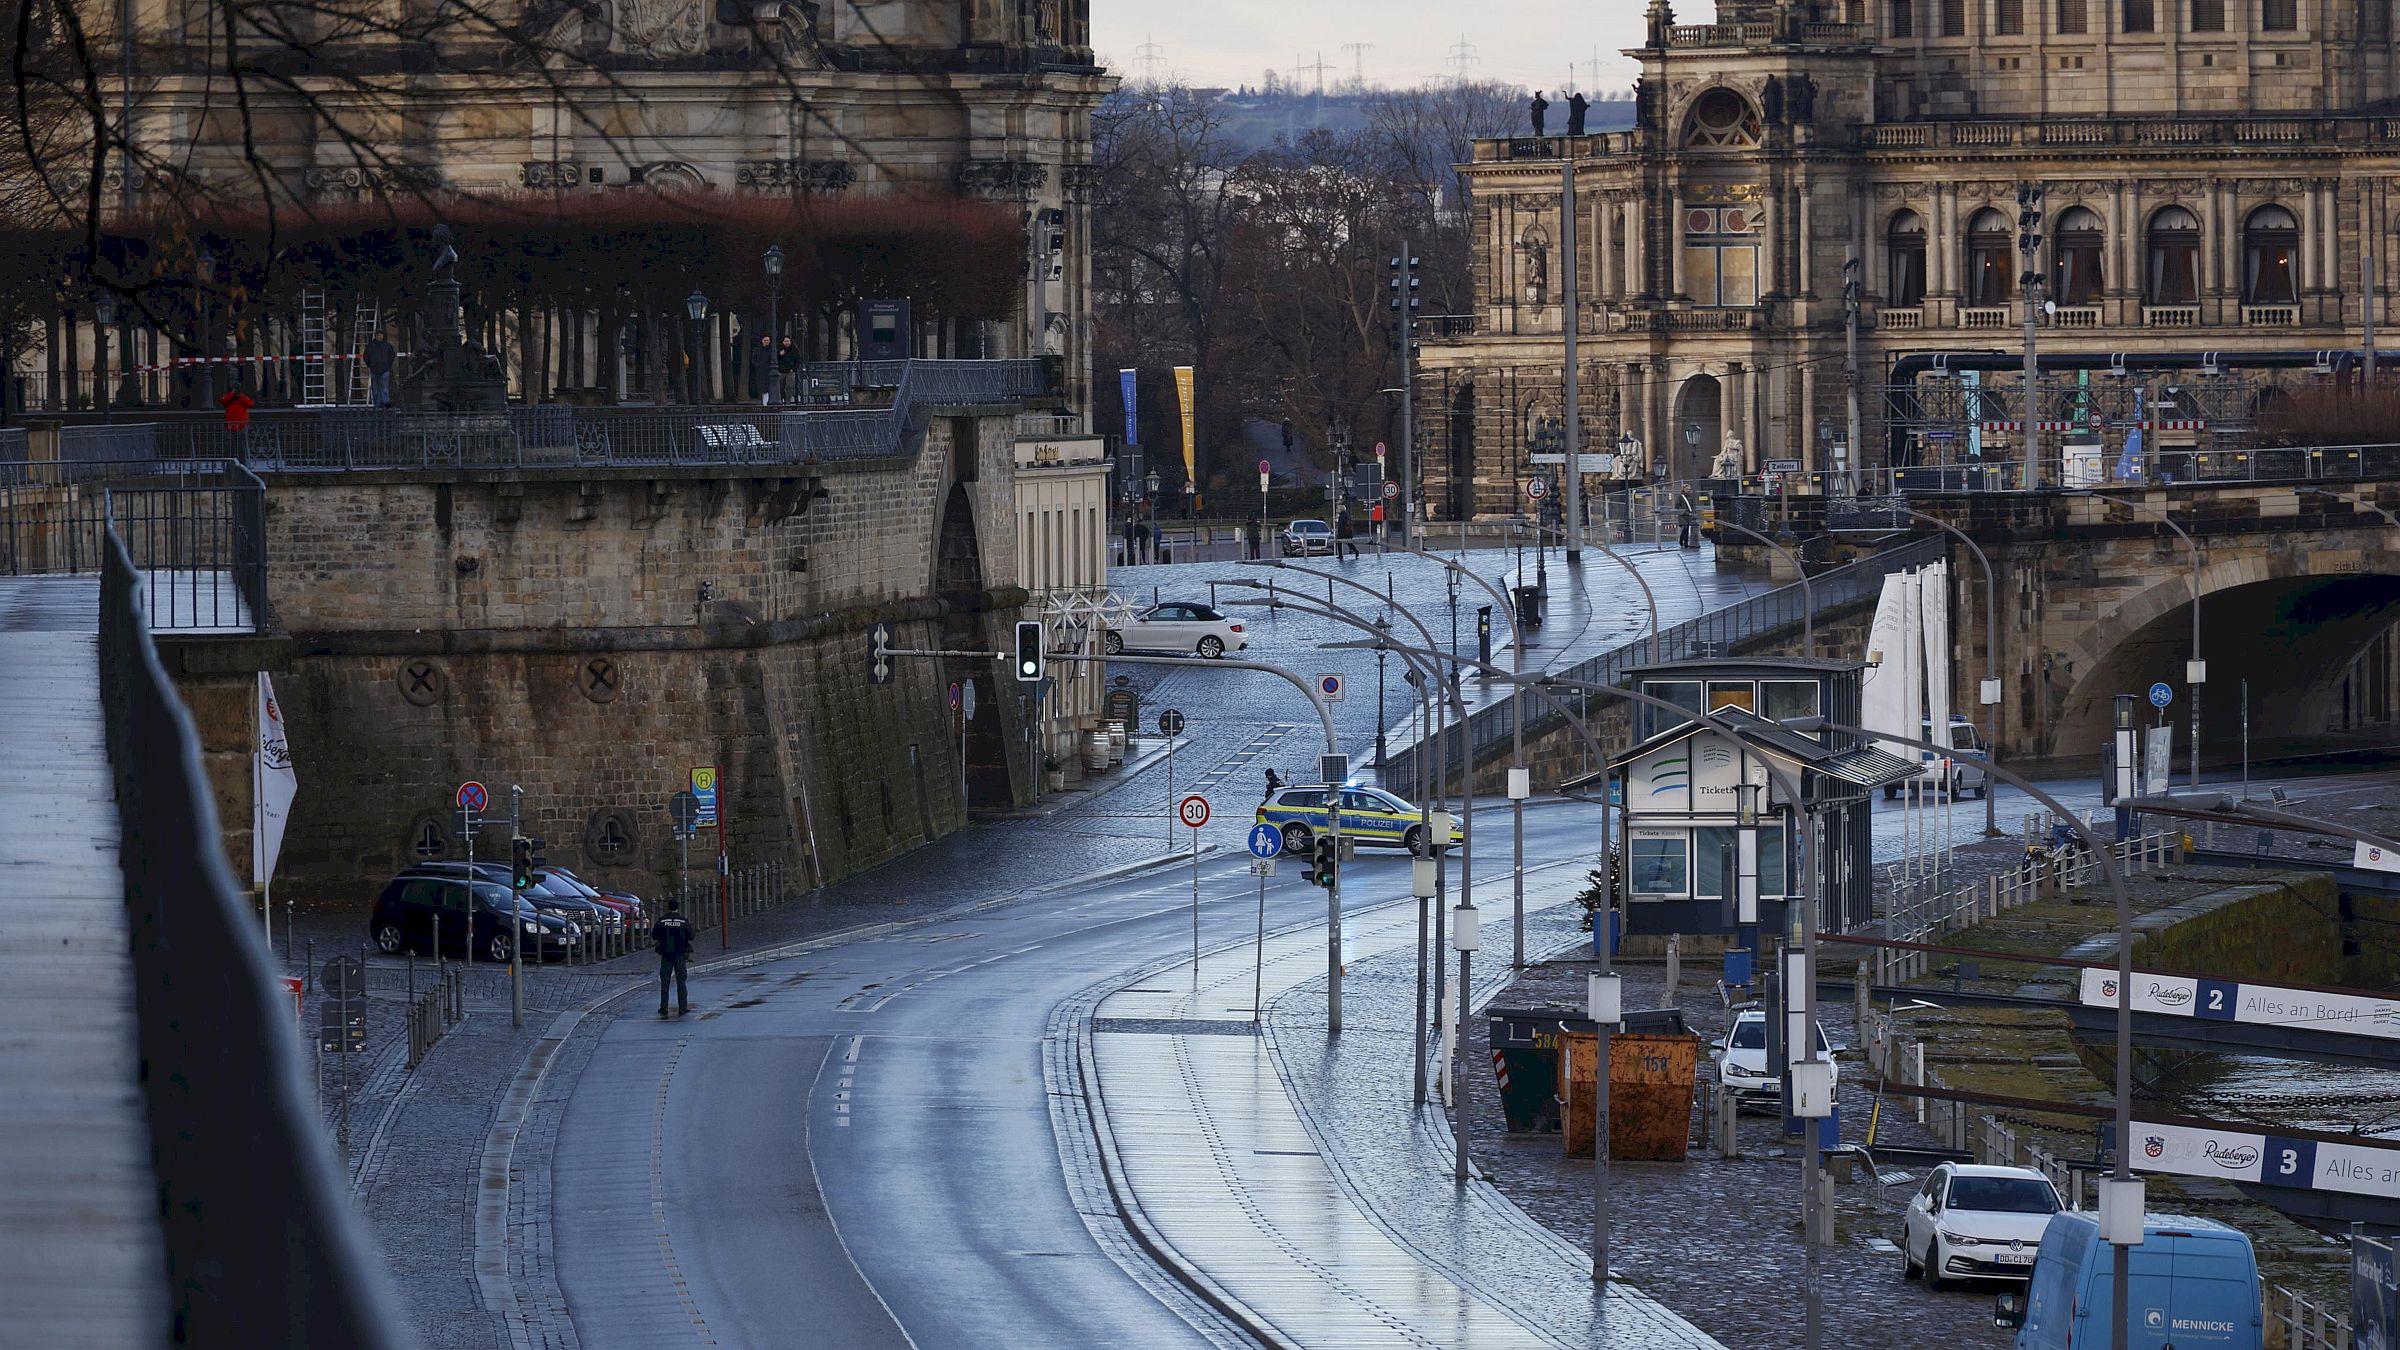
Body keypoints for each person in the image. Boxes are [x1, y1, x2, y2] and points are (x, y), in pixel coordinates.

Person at [651, 898, 694, 1016]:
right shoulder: (683, 921)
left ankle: (664, 1007)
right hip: (680, 954)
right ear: (677, 907)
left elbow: (654, 935)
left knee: (665, 982)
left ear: (668, 907)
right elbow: (692, 935)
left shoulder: (662, 921)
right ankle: (682, 1007)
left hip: (665, 955)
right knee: (681, 981)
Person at [363, 332, 397, 407]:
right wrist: (370, 364)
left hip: (384, 370)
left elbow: (392, 355)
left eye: (380, 335)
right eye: (378, 335)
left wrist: (388, 364)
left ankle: (385, 404)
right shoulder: (371, 346)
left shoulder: (387, 345)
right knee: (375, 389)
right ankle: (377, 405)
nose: (379, 337)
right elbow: (365, 356)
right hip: (374, 370)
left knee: (384, 388)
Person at [750, 333, 777, 406]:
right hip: (760, 371)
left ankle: (766, 402)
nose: (766, 341)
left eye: (767, 340)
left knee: (768, 386)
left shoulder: (771, 350)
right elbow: (753, 359)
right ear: (762, 340)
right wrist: (757, 366)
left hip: (769, 371)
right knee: (761, 386)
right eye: (765, 340)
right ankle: (763, 401)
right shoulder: (757, 350)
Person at [776, 335, 798, 402]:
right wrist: (779, 355)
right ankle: (782, 398)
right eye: (785, 341)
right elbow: (775, 359)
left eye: (788, 341)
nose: (786, 343)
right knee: (780, 386)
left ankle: (787, 400)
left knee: (789, 386)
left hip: (790, 371)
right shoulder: (779, 349)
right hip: (781, 371)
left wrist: (794, 368)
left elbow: (798, 360)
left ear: (790, 342)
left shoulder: (794, 349)